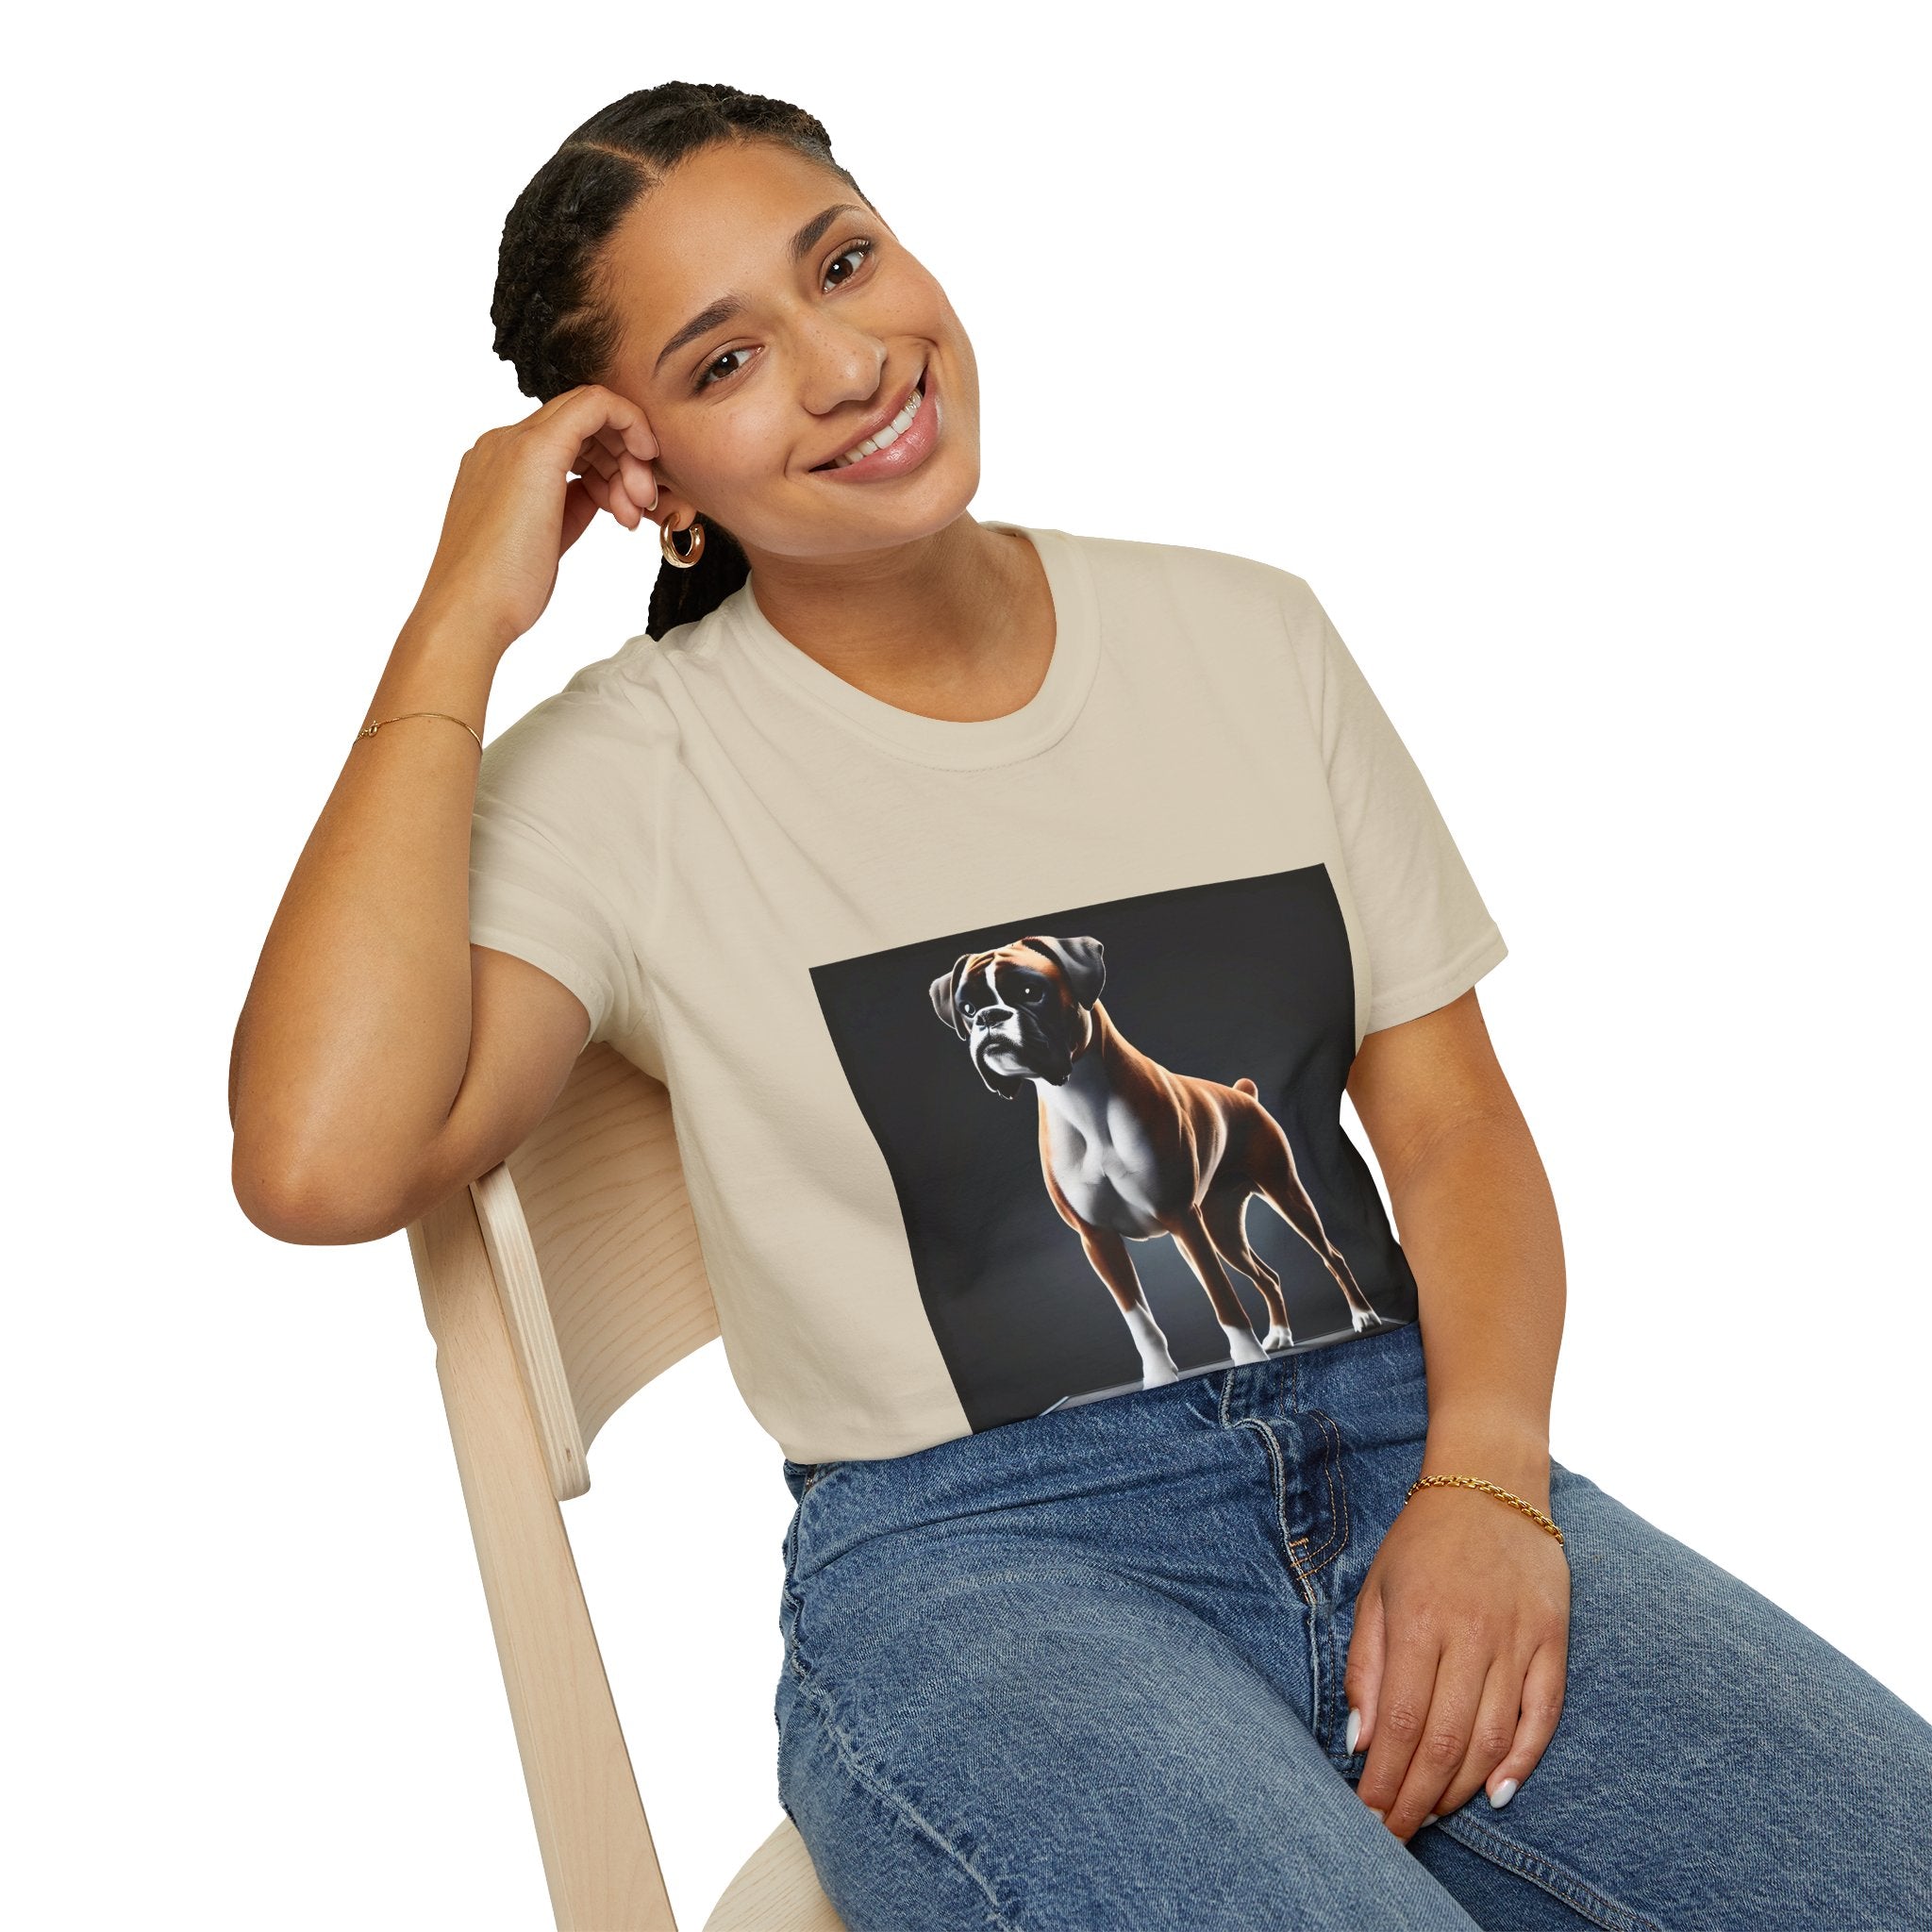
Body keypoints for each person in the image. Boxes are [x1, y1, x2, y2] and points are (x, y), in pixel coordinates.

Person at [228, 81, 1932, 1932]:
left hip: (1402, 1445)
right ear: (647, 479)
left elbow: (1448, 1127)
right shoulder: (629, 774)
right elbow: (321, 1158)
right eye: (725, 363)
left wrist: (1490, 1486)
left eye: (845, 263)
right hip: (985, 1563)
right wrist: (455, 620)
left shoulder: (1246, 635)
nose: (846, 362)